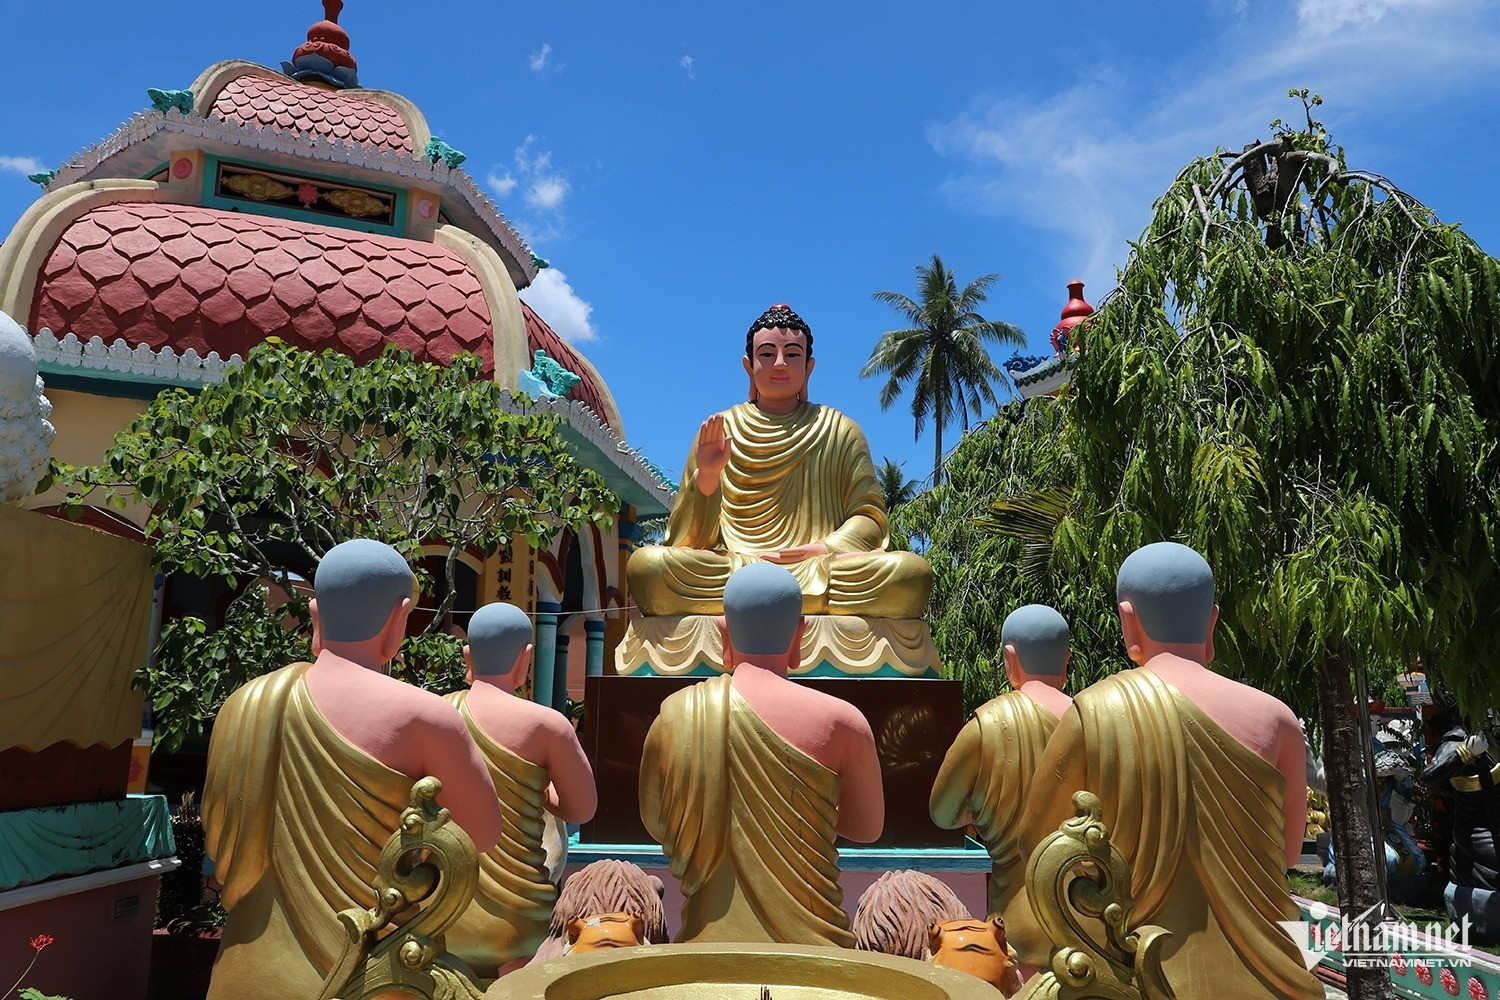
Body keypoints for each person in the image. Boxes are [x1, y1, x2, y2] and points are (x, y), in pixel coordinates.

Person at [1008, 542, 1319, 1000]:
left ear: (1128, 620)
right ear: (1211, 622)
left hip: (1138, 968)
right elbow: (1289, 855)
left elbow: (1036, 841)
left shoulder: (1094, 711)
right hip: (1270, 975)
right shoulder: (1277, 719)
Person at [202, 539, 503, 1000]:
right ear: (400, 618)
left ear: (315, 613)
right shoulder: (424, 716)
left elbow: (221, 843)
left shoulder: (245, 703)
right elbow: (479, 835)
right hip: (370, 973)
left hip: (246, 970)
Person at [626, 304, 931, 619]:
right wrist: (708, 475)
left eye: (793, 354)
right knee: (649, 567)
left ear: (809, 368)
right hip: (737, 564)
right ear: (749, 366)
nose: (780, 363)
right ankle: (788, 600)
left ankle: (760, 600)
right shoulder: (721, 430)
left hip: (817, 566)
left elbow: (870, 519)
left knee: (909, 574)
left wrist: (824, 548)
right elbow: (688, 541)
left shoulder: (840, 430)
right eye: (767, 354)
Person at [639, 562, 884, 944]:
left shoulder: (675, 717)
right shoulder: (843, 722)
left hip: (704, 946)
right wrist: (812, 808)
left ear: (723, 632)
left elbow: (657, 822)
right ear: (800, 634)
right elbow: (867, 828)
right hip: (816, 953)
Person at [443, 602, 597, 977]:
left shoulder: (437, 714)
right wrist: (538, 791)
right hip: (520, 921)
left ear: (468, 656)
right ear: (525, 659)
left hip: (443, 913)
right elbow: (581, 809)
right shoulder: (546, 725)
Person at [929, 604, 1072, 917]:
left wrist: (984, 811)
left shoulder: (987, 723)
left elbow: (943, 813)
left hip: (1013, 912)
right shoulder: (1093, 719)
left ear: (1010, 658)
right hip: (1083, 911)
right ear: (1067, 660)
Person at [1420, 709, 1500, 939]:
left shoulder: (1494, 737)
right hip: (1477, 833)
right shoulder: (1455, 743)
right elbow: (1429, 777)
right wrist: (1466, 753)